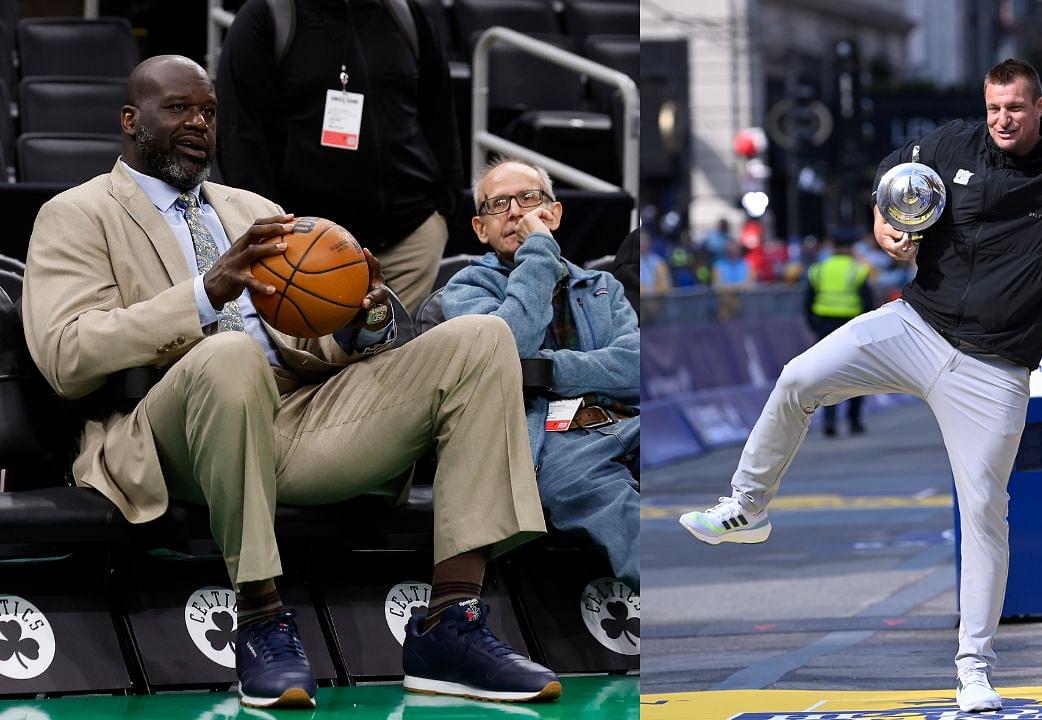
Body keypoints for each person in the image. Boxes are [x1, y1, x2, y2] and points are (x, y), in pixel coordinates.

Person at [678, 58, 1042, 713]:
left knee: (983, 514)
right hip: (916, 325)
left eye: (1016, 109)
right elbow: (891, 175)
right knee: (798, 376)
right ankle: (747, 507)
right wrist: (883, 221)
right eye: (995, 107)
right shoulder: (949, 143)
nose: (1003, 119)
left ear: (1038, 111)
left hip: (993, 370)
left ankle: (974, 669)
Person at [21, 56, 558, 710]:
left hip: (296, 416)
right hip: (171, 437)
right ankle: (261, 620)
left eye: (209, 112)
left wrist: (363, 317)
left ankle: (452, 621)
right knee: (228, 358)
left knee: (481, 338)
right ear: (131, 121)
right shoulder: (76, 213)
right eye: (179, 108)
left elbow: (312, 342)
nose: (198, 123)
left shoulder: (255, 210)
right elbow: (65, 353)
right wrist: (202, 295)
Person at [441, 159, 640, 592]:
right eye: (499, 204)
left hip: (631, 419)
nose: (516, 211)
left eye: (529, 198)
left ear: (555, 213)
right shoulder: (463, 290)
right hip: (553, 435)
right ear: (480, 229)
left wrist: (547, 368)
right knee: (592, 492)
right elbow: (506, 348)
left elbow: (636, 367)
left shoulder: (604, 286)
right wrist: (539, 254)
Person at [215, 0, 464, 314]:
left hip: (410, 238)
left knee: (398, 355)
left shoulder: (405, 13)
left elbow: (440, 113)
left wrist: (445, 208)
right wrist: (273, 229)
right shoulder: (266, 15)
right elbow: (239, 132)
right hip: (308, 248)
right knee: (324, 361)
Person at [804, 233, 874, 435]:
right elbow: (868, 304)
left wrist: (815, 327)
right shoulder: (858, 270)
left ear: (832, 246)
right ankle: (854, 420)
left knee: (828, 375)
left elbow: (807, 302)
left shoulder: (818, 270)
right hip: (852, 327)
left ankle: (829, 420)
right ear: (852, 248)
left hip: (825, 327)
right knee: (856, 375)